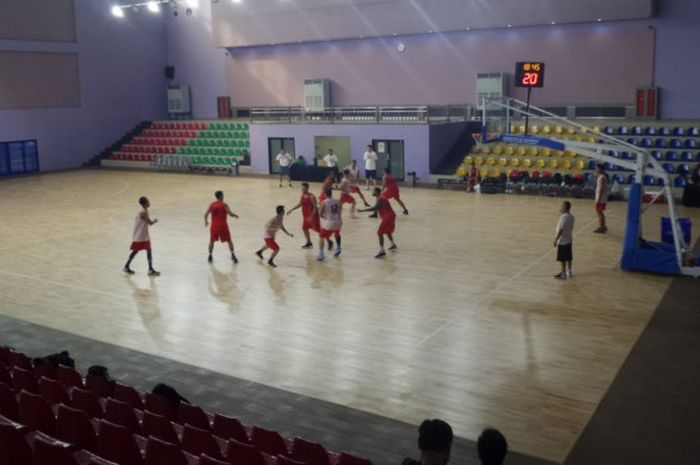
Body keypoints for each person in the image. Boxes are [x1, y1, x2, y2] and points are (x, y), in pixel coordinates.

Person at [123, 196, 160, 276]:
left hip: (143, 236)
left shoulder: (144, 211)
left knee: (148, 250)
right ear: (145, 203)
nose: (149, 202)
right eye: (148, 201)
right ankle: (126, 266)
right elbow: (150, 223)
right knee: (136, 251)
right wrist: (155, 220)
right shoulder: (143, 212)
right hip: (140, 236)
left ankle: (150, 269)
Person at [359, 187, 397, 258]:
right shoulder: (381, 197)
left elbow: (375, 208)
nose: (372, 192)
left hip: (388, 217)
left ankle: (382, 251)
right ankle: (393, 244)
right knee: (387, 231)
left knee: (379, 233)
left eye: (373, 191)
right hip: (391, 215)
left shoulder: (380, 199)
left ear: (376, 192)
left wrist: (362, 210)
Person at [204, 190, 239, 263]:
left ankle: (210, 256)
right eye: (223, 195)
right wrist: (235, 215)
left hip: (214, 226)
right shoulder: (224, 204)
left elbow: (205, 214)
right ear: (221, 196)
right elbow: (230, 213)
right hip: (223, 226)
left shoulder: (212, 204)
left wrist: (206, 221)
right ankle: (233, 255)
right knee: (229, 240)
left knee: (211, 241)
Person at [287, 182, 321, 249]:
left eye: (303, 188)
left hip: (313, 216)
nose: (302, 189)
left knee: (318, 230)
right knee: (305, 229)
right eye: (301, 188)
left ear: (307, 188)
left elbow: (315, 208)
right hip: (306, 216)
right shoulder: (302, 195)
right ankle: (309, 243)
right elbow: (300, 204)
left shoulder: (312, 197)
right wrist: (291, 209)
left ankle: (329, 241)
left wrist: (311, 217)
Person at [317, 189, 343, 261]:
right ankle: (338, 248)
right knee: (337, 233)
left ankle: (321, 254)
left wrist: (325, 217)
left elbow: (320, 214)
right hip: (338, 221)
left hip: (329, 223)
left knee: (321, 236)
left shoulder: (324, 202)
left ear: (325, 194)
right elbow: (340, 210)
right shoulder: (338, 201)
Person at [553, 201, 575, 279]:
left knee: (562, 258)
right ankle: (569, 271)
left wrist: (556, 239)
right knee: (569, 257)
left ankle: (563, 273)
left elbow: (561, 229)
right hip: (569, 239)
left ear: (565, 208)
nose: (560, 207)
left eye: (562, 206)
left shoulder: (563, 218)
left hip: (562, 240)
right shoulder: (571, 217)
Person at [594, 164, 608, 233]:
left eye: (596, 168)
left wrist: (598, 199)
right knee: (600, 212)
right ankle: (603, 226)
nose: (595, 169)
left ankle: (601, 227)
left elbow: (601, 189)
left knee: (599, 212)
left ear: (600, 169)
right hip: (601, 198)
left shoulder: (602, 177)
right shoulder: (601, 177)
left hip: (601, 198)